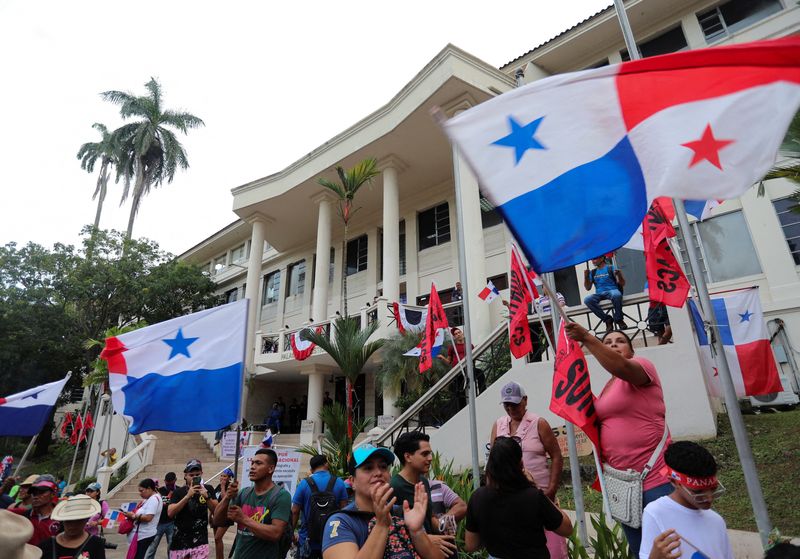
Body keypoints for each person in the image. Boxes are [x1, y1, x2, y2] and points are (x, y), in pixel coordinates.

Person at [565, 324, 672, 557]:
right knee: (640, 550)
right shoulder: (608, 387)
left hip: (654, 478)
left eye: (620, 341)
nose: (613, 344)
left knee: (668, 548)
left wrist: (586, 337)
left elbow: (621, 366)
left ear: (632, 351)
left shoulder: (642, 366)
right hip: (623, 484)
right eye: (608, 342)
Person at [321, 445, 442, 559]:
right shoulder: (341, 522)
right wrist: (381, 524)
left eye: (383, 467)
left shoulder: (403, 513)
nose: (378, 473)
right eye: (368, 468)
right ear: (352, 481)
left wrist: (417, 531)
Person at [490, 381, 566, 559]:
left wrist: (552, 489)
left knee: (551, 544)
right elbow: (493, 461)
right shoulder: (499, 424)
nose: (511, 408)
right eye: (507, 405)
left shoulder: (539, 423)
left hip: (539, 493)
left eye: (515, 404)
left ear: (525, 400)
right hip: (507, 497)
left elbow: (556, 456)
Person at [465, 437, 572, 559]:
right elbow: (566, 529)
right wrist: (537, 489)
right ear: (520, 464)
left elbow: (471, 545)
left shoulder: (477, 497)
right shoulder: (533, 497)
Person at [641, 442, 732, 559]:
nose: (709, 498)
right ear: (674, 482)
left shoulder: (717, 521)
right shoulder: (656, 513)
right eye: (698, 492)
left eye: (713, 489)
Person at [213, 448, 292, 559]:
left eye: (258, 463)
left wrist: (244, 519)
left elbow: (276, 533)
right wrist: (227, 497)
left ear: (271, 469)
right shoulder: (244, 493)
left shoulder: (281, 496)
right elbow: (217, 520)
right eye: (252, 463)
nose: (252, 467)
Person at [390, 432, 457, 558]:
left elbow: (429, 517)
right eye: (425, 454)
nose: (430, 458)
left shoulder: (423, 482)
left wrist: (443, 527)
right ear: (408, 457)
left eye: (430, 453)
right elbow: (391, 530)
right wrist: (425, 538)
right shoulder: (394, 487)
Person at [291, 455, 348, 559]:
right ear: (326, 464)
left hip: (307, 540)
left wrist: (291, 534)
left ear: (312, 469)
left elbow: (295, 511)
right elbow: (344, 511)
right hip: (332, 540)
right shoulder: (339, 483)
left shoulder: (304, 484)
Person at [168, 459, 218, 559]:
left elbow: (216, 511)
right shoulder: (178, 492)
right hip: (179, 542)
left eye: (197, 475)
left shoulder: (208, 489)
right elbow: (170, 513)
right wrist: (187, 496)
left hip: (200, 543)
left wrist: (207, 497)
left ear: (201, 474)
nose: (195, 477)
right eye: (191, 475)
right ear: (185, 476)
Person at [39, 494, 105, 559]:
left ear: (85, 520)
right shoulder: (47, 545)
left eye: (78, 520)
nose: (73, 525)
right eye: (69, 520)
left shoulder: (96, 544)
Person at [12, 475, 60, 546]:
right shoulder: (23, 515)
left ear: (53, 494)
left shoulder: (62, 520)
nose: (36, 496)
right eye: (34, 493)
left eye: (41, 492)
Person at [120, 479, 162, 559]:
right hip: (142, 534)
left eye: (141, 491)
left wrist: (133, 516)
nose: (140, 493)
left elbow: (148, 517)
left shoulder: (153, 499)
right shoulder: (150, 498)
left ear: (149, 488)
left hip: (144, 535)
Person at [584, 256, 627, 330]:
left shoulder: (611, 268)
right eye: (592, 259)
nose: (593, 261)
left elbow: (622, 283)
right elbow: (588, 288)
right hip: (599, 294)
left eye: (595, 259)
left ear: (602, 258)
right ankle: (607, 319)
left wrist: (619, 274)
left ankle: (619, 319)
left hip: (612, 291)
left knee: (616, 295)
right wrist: (586, 276)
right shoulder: (593, 272)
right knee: (587, 300)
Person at [145, 484, 175, 559]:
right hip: (159, 524)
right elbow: (163, 503)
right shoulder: (158, 492)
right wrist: (169, 496)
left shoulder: (177, 490)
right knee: (152, 546)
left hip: (171, 523)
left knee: (171, 546)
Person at [212, 468, 235, 559]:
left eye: (224, 476)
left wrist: (222, 486)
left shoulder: (230, 486)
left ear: (229, 478)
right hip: (217, 515)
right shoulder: (218, 486)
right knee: (217, 540)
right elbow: (215, 500)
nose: (222, 477)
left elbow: (225, 498)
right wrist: (211, 515)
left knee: (218, 537)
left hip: (226, 516)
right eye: (221, 475)